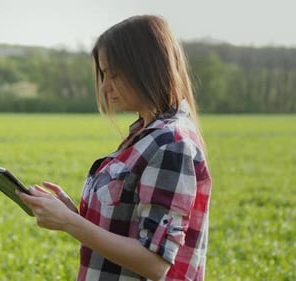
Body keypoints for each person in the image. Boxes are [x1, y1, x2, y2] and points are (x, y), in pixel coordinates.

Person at [18, 14, 212, 281]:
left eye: (115, 74)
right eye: (104, 74)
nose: (106, 87)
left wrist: (70, 223)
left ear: (147, 68)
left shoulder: (171, 144)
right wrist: (72, 214)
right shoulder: (146, 135)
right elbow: (126, 227)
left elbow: (154, 262)